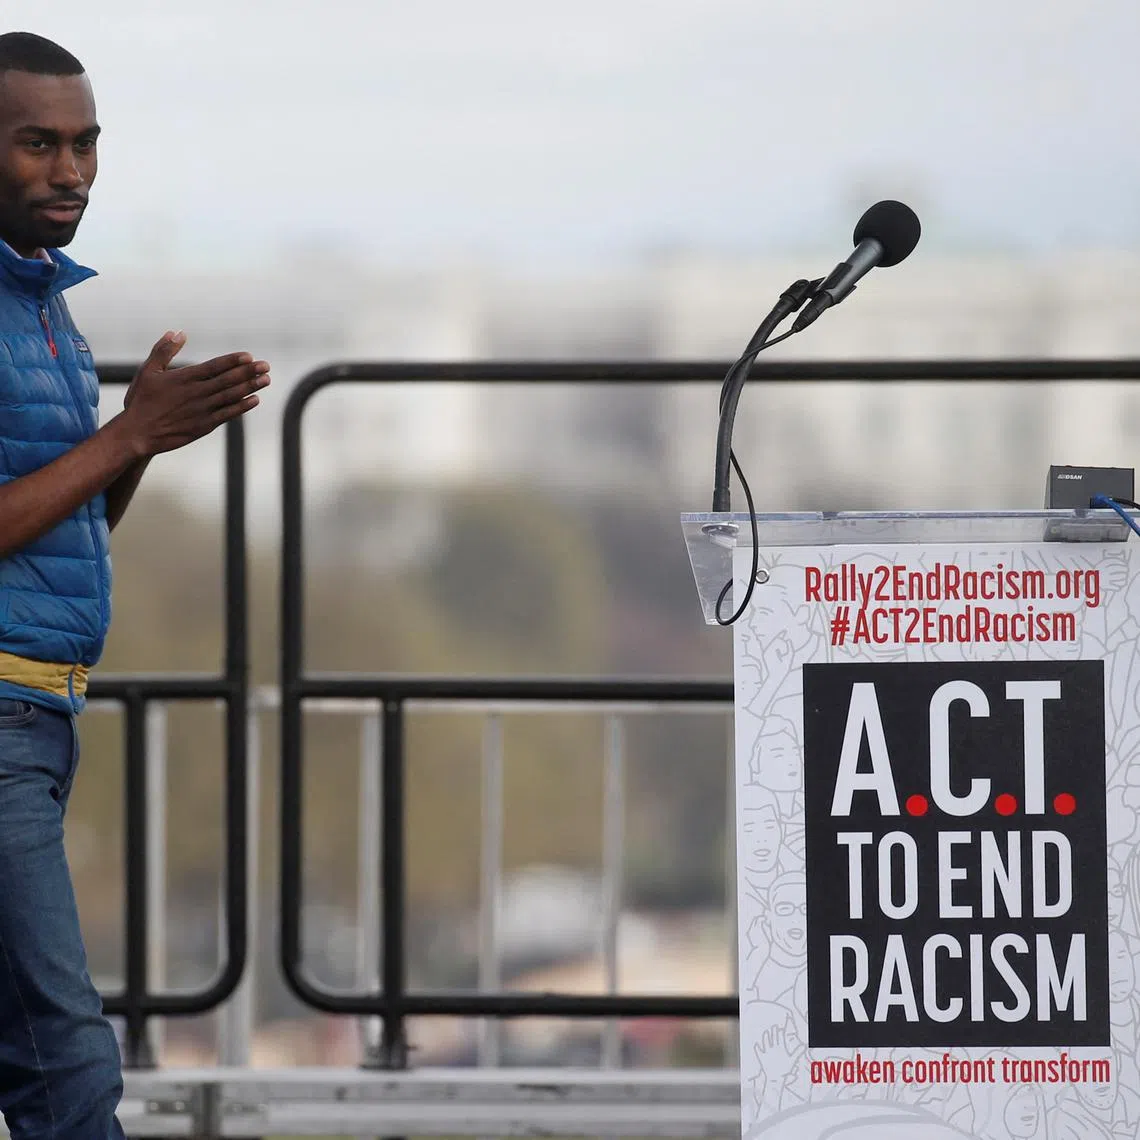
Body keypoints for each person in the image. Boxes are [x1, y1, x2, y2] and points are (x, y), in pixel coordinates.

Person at [0, 31, 269, 1137]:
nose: (71, 171)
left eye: (85, 143)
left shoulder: (44, 306)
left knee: (43, 1054)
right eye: (37, 144)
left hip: (42, 715)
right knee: (68, 1067)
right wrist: (132, 435)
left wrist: (141, 439)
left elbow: (65, 522)